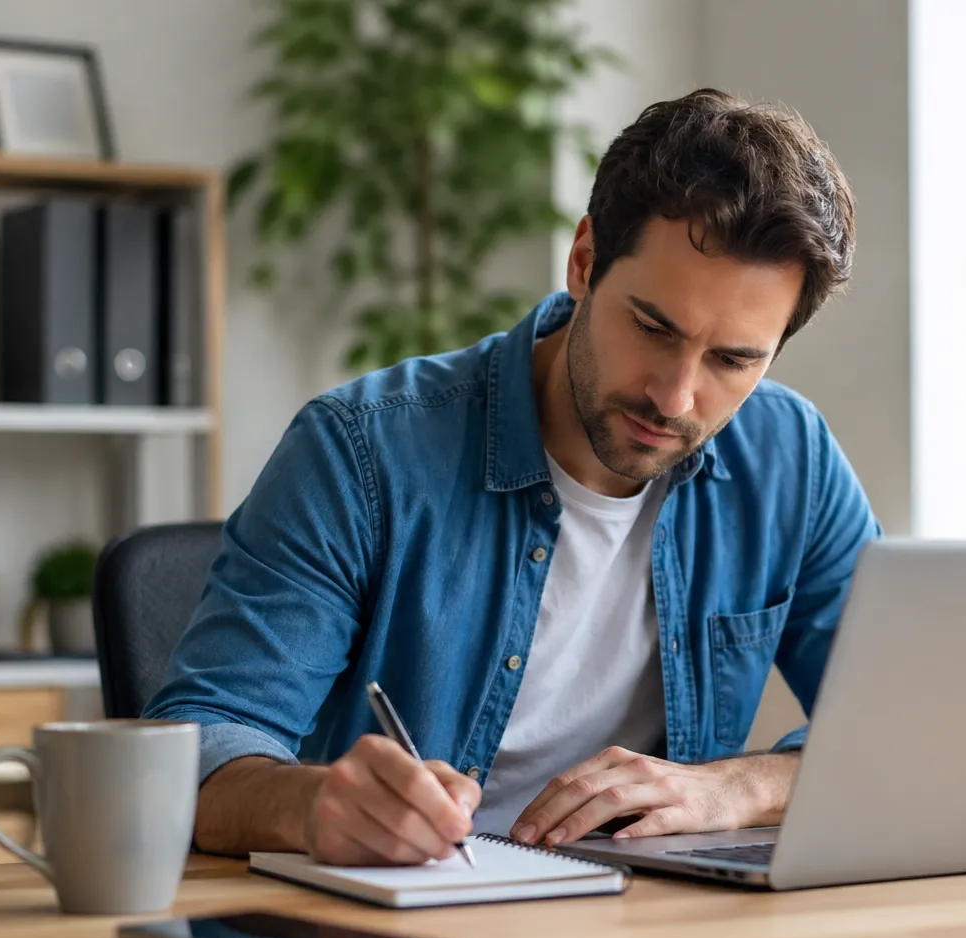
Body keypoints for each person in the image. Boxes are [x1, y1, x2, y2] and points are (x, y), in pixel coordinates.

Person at [144, 88, 880, 866]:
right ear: (585, 261)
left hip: (656, 935)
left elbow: (906, 720)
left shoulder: (790, 458)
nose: (676, 396)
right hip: (410, 930)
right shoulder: (362, 452)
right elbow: (196, 745)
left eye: (734, 360)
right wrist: (310, 804)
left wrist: (741, 787)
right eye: (653, 328)